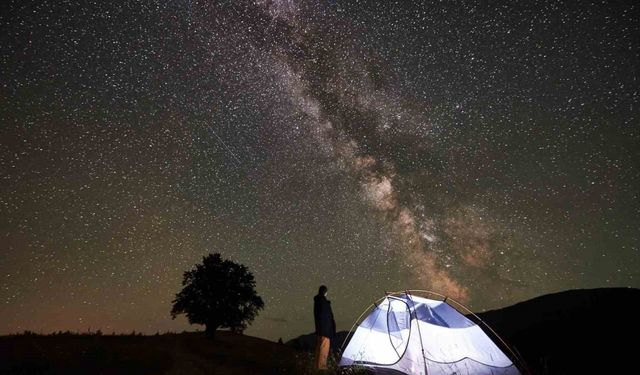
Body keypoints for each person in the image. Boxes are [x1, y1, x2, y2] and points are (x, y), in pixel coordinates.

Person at [314, 285, 336, 371]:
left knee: (319, 348)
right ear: (325, 292)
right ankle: (321, 368)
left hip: (320, 330)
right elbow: (326, 317)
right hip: (325, 330)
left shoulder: (318, 302)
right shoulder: (323, 303)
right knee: (323, 349)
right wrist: (330, 329)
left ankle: (317, 367)